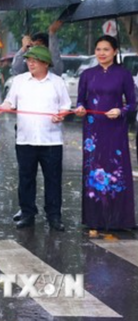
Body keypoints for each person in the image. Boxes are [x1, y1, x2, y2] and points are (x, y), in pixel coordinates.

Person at [0, 46, 70, 231]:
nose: (31, 63)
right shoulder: (19, 81)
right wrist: (1, 107)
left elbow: (66, 106)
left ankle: (54, 216)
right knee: (26, 178)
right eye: (29, 60)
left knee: (53, 179)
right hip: (25, 139)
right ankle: (27, 213)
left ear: (45, 63)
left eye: (35, 60)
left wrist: (61, 115)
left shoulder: (57, 82)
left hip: (50, 140)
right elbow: (10, 102)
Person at [74, 35, 136, 230]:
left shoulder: (124, 74)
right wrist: (80, 109)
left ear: (115, 51)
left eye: (106, 49)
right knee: (94, 169)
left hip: (115, 129)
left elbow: (134, 103)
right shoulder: (87, 74)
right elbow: (80, 101)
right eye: (98, 49)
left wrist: (121, 111)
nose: (101, 53)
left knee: (116, 169)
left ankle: (119, 219)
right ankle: (95, 219)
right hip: (92, 131)